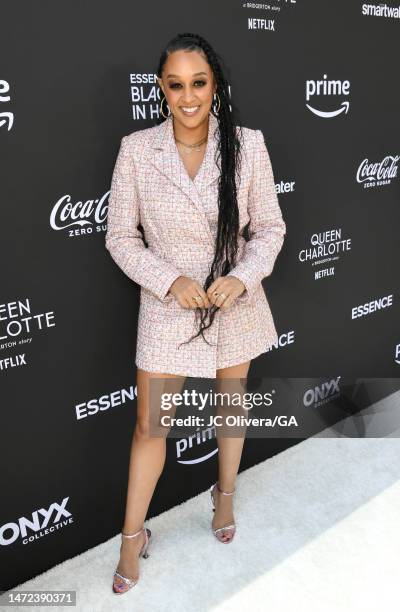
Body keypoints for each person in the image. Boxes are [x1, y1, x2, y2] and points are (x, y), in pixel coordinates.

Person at [105, 32, 286, 594]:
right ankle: (132, 536)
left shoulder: (249, 145)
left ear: (215, 85)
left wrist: (240, 277)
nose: (188, 97)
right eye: (175, 84)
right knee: (150, 426)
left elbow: (271, 228)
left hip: (234, 303)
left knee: (231, 407)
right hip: (167, 308)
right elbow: (119, 237)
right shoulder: (137, 149)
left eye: (199, 83)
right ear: (160, 88)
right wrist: (170, 280)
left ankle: (223, 495)